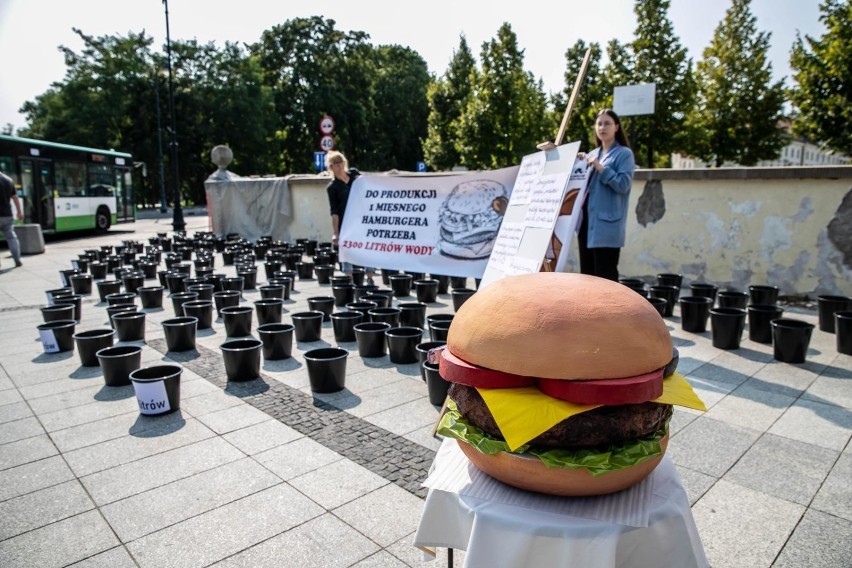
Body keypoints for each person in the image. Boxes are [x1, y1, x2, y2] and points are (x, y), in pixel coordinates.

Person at [576, 108, 635, 281]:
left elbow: (623, 185)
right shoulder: (592, 155)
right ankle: (587, 309)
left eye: (607, 123)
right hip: (587, 224)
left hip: (607, 227)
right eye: (599, 123)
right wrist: (578, 164)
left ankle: (611, 310)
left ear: (616, 127)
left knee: (605, 278)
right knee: (587, 276)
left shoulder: (624, 154)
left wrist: (601, 168)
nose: (603, 127)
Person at [325, 151, 375, 284]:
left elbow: (368, 185)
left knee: (367, 248)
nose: (339, 165)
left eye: (340, 161)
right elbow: (334, 211)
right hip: (346, 223)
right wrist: (335, 233)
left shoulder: (354, 174)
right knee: (346, 250)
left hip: (362, 220)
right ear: (330, 167)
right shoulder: (332, 187)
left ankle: (369, 278)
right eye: (335, 163)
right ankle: (349, 281)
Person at [0, 171, 24, 268]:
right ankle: (17, 260)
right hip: (7, 214)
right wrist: (19, 211)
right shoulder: (8, 180)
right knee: (11, 237)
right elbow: (15, 197)